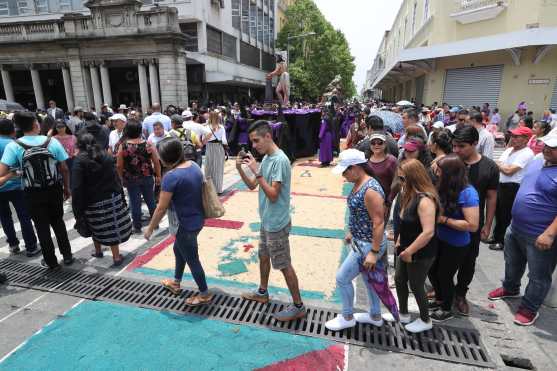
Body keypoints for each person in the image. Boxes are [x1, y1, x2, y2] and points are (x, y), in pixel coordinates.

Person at [236, 120, 306, 322]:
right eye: (252, 142)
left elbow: (274, 194)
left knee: (284, 265)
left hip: (276, 224)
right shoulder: (266, 158)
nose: (254, 145)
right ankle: (262, 292)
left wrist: (257, 172)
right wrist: (241, 168)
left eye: (256, 140)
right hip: (267, 221)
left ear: (268, 136)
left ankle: (298, 306)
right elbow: (252, 185)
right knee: (264, 256)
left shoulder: (279, 160)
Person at [488, 133, 557, 325]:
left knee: (538, 275)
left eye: (553, 147)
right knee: (512, 262)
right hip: (516, 226)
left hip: (540, 233)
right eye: (546, 145)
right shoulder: (538, 160)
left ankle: (529, 307)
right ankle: (510, 288)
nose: (547, 149)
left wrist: (550, 234)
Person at [325, 149, 388, 331]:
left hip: (367, 244)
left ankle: (347, 316)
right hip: (361, 240)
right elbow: (363, 215)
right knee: (369, 280)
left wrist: (374, 253)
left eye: (345, 171)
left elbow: (378, 222)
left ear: (355, 168)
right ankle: (375, 315)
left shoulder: (369, 189)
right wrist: (353, 232)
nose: (344, 176)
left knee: (342, 278)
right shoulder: (361, 183)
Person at [0, 112, 73, 269]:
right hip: (54, 188)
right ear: (36, 124)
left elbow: (1, 171)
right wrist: (66, 188)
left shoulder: (14, 146)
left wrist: (12, 175)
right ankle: (67, 255)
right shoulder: (51, 141)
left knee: (41, 226)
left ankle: (51, 261)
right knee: (58, 222)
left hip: (31, 192)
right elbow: (64, 168)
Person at [144, 138, 212, 306]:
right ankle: (176, 282)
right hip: (197, 220)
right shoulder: (194, 166)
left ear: (165, 158)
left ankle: (204, 293)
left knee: (192, 258)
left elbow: (161, 208)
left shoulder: (171, 177)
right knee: (179, 250)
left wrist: (150, 228)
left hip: (183, 224)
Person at [446, 126, 499, 316]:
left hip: (472, 226)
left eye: (461, 146)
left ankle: (460, 294)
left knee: (468, 262)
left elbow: (492, 197)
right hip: (445, 222)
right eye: (454, 145)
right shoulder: (450, 161)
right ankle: (442, 289)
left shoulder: (489, 167)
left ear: (475, 144)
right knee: (443, 259)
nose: (456, 150)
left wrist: (487, 225)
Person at [429, 154, 479, 322]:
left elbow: (472, 225)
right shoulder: (443, 186)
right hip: (438, 238)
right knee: (432, 270)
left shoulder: (468, 193)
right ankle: (439, 299)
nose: (437, 173)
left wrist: (443, 220)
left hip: (456, 244)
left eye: (440, 171)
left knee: (444, 275)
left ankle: (446, 308)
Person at [393, 159, 439, 333]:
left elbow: (428, 232)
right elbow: (404, 223)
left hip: (421, 252)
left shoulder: (425, 200)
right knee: (399, 279)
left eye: (403, 179)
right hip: (405, 248)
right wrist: (399, 243)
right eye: (400, 179)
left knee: (417, 284)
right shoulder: (408, 194)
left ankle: (425, 319)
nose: (401, 183)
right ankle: (403, 313)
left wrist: (410, 251)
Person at [72, 134, 131, 266]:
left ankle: (98, 250)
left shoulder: (79, 161)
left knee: (94, 224)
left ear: (79, 145)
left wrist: (77, 208)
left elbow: (76, 187)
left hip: (91, 201)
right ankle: (116, 256)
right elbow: (116, 177)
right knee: (111, 225)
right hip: (111, 196)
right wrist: (121, 196)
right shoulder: (106, 156)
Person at [489, 127, 535, 250]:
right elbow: (499, 163)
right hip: (501, 184)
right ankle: (496, 236)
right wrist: (501, 165)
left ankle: (503, 241)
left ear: (526, 139)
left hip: (512, 187)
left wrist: (500, 165)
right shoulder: (509, 150)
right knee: (498, 213)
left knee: (506, 215)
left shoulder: (527, 153)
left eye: (516, 137)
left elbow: (509, 171)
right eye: (512, 136)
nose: (513, 139)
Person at [0, 118, 40, 257]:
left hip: (0, 186)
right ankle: (31, 246)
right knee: (24, 216)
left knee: (5, 217)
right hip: (17, 185)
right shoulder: (15, 144)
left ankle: (13, 244)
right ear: (12, 130)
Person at [116, 120, 161, 234]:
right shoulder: (148, 144)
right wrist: (158, 175)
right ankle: (155, 223)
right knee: (150, 200)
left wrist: (120, 178)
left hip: (131, 178)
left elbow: (119, 165)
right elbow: (156, 161)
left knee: (135, 202)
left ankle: (137, 226)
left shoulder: (124, 146)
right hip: (147, 177)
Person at [203, 110, 228, 194]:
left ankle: (208, 189)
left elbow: (204, 141)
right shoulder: (221, 127)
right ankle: (218, 190)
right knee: (218, 169)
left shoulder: (206, 127)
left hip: (209, 147)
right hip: (219, 147)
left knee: (208, 168)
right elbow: (224, 141)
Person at [367, 133, 397, 200]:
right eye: (373, 143)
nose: (376, 145)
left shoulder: (392, 161)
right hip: (370, 199)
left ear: (385, 144)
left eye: (380, 143)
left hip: (386, 199)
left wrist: (390, 199)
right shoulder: (367, 159)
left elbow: (396, 182)